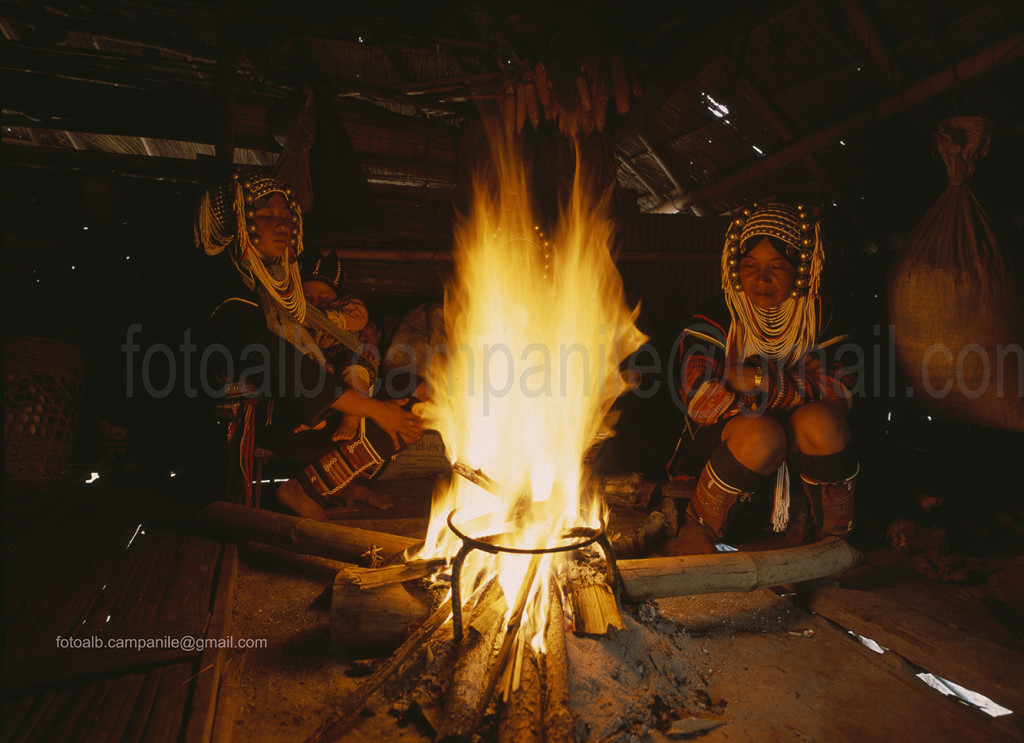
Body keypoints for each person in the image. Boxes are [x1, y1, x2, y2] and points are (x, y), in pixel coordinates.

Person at [196, 171, 424, 520]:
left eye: (286, 217)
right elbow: (288, 370)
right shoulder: (232, 299)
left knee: (414, 392)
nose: (282, 224)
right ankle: (302, 491)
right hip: (263, 417)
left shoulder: (272, 293)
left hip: (300, 402)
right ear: (239, 221)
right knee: (392, 423)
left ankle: (334, 485)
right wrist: (375, 409)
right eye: (267, 214)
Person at [668, 202, 858, 554]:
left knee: (824, 421)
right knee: (762, 431)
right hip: (736, 442)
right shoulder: (717, 314)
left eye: (777, 267)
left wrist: (757, 380)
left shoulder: (820, 315)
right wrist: (800, 384)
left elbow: (841, 392)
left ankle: (832, 536)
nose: (761, 278)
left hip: (804, 446)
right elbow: (699, 398)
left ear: (801, 269)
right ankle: (700, 527)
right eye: (750, 266)